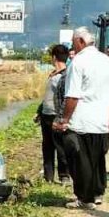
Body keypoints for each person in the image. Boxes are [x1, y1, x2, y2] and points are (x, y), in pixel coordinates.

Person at [54, 28, 109, 209]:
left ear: (81, 41)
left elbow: (73, 96)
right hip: (100, 121)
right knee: (97, 161)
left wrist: (65, 119)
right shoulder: (106, 60)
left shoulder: (78, 62)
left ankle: (85, 198)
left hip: (82, 121)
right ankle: (97, 193)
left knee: (80, 161)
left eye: (74, 42)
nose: (73, 45)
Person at [37, 43, 71, 184]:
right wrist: (39, 111)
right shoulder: (54, 74)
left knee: (60, 147)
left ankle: (64, 176)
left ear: (54, 57)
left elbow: (65, 98)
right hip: (46, 114)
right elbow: (48, 96)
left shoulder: (65, 75)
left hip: (56, 115)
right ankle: (48, 176)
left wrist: (62, 117)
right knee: (47, 146)